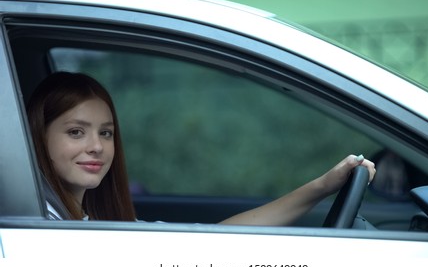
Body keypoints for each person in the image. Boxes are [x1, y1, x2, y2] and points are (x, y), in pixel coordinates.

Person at [27, 71, 376, 225]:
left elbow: (216, 239)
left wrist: (323, 186)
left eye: (106, 134)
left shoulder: (92, 222)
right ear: (37, 137)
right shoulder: (40, 224)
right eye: (76, 132)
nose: (97, 147)